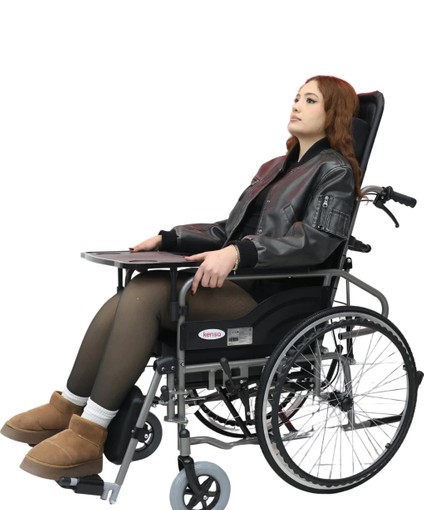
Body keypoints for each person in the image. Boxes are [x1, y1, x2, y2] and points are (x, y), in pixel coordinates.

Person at [1, 75, 362, 480]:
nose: (296, 105)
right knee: (136, 287)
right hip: (240, 283)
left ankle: (90, 432)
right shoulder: (275, 167)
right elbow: (229, 230)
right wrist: (170, 238)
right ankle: (68, 406)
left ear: (334, 114)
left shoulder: (334, 171)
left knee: (152, 293)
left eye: (310, 100)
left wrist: (238, 253)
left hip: (273, 299)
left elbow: (315, 242)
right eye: (296, 97)